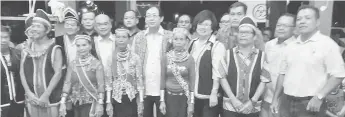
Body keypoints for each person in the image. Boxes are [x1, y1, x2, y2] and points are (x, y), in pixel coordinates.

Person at [271, 5, 345, 117]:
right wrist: (275, 99)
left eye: (307, 18)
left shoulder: (327, 44)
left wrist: (319, 97)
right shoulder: (290, 46)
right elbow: (282, 74)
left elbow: (338, 75)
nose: (302, 21)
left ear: (317, 22)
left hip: (311, 104)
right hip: (286, 102)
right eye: (299, 19)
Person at [215, 16, 270, 117]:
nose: (243, 35)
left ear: (254, 36)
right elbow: (222, 77)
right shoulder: (227, 54)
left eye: (247, 32)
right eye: (241, 32)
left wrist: (252, 101)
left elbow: (264, 81)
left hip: (252, 108)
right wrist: (233, 99)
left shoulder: (262, 56)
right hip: (230, 106)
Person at [20, 9, 64, 117]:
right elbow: (22, 72)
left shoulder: (55, 49)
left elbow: (58, 73)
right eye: (33, 26)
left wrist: (46, 95)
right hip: (32, 99)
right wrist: (28, 93)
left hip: (50, 98)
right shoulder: (26, 49)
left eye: (38, 26)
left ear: (47, 30)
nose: (34, 29)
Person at [132, 6, 173, 117]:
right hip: (144, 87)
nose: (151, 18)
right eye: (148, 16)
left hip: (165, 86)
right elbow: (133, 61)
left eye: (154, 16)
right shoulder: (139, 37)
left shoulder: (170, 36)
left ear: (161, 18)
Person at [188, 10, 223, 117]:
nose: (203, 27)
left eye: (207, 24)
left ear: (212, 28)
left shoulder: (217, 46)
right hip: (193, 95)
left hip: (209, 96)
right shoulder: (192, 43)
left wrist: (214, 92)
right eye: (200, 24)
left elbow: (218, 72)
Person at [59, 35, 105, 117]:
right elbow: (67, 82)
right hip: (76, 102)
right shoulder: (73, 64)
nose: (81, 48)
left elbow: (101, 85)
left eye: (84, 45)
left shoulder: (96, 63)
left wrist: (100, 103)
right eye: (78, 45)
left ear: (90, 46)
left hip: (91, 102)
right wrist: (62, 102)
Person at [261, 13, 296, 117]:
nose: (280, 28)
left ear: (294, 29)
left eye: (285, 26)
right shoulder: (269, 45)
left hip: (285, 99)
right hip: (266, 95)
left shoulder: (296, 47)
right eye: (278, 25)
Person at [159, 28, 195, 117]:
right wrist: (162, 100)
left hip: (184, 98)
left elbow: (192, 82)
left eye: (181, 39)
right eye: (176, 39)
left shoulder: (190, 59)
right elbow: (162, 79)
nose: (178, 41)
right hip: (168, 98)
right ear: (172, 41)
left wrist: (191, 103)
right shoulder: (166, 57)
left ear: (186, 41)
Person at [109, 27, 144, 117]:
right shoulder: (111, 58)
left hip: (132, 97)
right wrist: (108, 102)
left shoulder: (135, 57)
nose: (121, 40)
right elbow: (108, 81)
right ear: (115, 39)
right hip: (117, 97)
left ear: (129, 39)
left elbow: (139, 79)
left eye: (124, 37)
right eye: (118, 37)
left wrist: (141, 101)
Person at [91, 14, 115, 117]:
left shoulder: (119, 40)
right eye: (99, 24)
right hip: (96, 88)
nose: (103, 27)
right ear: (95, 27)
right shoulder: (90, 43)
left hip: (116, 88)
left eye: (105, 24)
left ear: (111, 25)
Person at [1, 25, 25, 117]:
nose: (3, 40)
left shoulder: (18, 54)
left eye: (5, 37)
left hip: (18, 101)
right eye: (0, 37)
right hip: (2, 101)